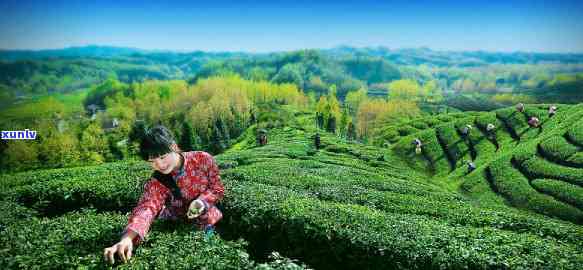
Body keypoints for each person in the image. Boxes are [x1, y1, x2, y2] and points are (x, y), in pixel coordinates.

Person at [104, 125, 224, 265]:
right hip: (175, 227)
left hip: (207, 221)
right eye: (152, 161)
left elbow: (217, 188)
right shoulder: (158, 180)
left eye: (162, 157)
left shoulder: (203, 159)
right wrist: (127, 239)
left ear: (174, 147)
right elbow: (147, 207)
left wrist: (202, 202)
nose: (160, 165)